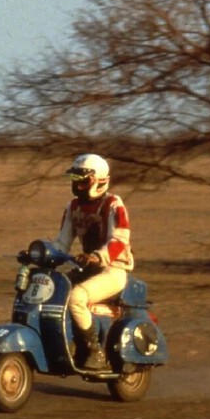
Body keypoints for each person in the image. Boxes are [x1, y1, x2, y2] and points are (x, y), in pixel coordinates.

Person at [52, 153, 134, 371]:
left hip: (113, 269)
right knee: (55, 290)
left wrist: (98, 256)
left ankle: (93, 350)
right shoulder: (73, 207)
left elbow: (120, 240)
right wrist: (42, 254)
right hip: (88, 268)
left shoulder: (113, 205)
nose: (77, 186)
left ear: (99, 181)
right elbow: (62, 242)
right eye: (75, 181)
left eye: (83, 181)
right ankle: (64, 343)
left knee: (77, 297)